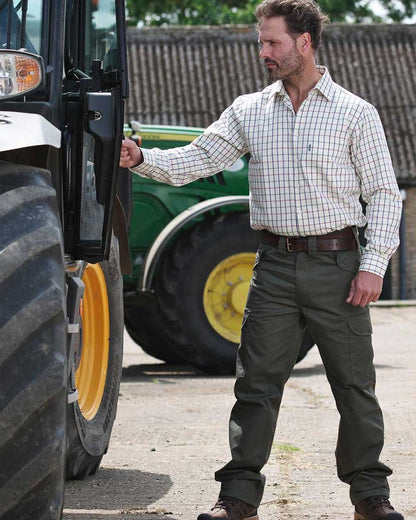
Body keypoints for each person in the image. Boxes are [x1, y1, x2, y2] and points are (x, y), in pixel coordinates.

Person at [120, 1, 403, 518]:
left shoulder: (354, 112)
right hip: (272, 267)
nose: (263, 52)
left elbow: (385, 194)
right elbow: (201, 158)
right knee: (255, 387)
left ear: (304, 43)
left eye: (272, 42)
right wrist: (143, 159)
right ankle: (238, 499)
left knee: (355, 389)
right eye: (260, 42)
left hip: (338, 268)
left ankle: (370, 498)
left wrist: (374, 264)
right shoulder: (250, 109)